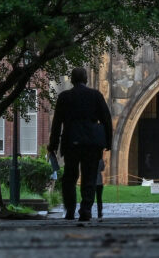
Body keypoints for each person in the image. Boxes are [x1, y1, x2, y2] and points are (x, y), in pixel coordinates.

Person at [47, 67, 113, 221]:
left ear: (71, 79)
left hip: (71, 141)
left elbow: (57, 124)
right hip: (91, 143)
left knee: (69, 176)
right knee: (89, 176)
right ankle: (86, 209)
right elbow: (106, 119)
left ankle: (70, 209)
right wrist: (108, 141)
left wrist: (53, 144)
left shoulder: (64, 97)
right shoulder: (95, 95)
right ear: (86, 79)